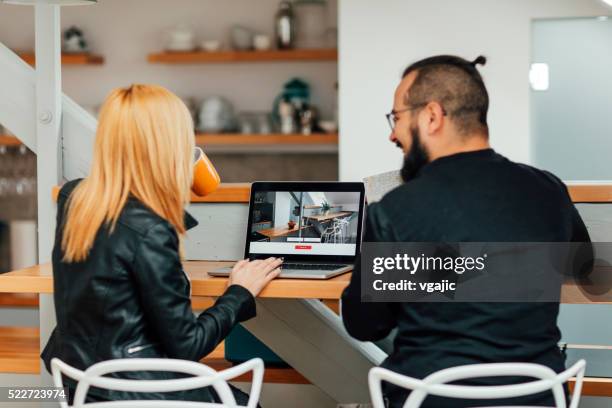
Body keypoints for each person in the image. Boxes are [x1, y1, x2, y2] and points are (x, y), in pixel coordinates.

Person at [341, 55, 591, 407]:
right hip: (536, 396)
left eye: (396, 118)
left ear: (431, 116)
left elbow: (365, 326)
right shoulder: (549, 190)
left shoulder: (394, 212)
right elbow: (582, 267)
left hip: (432, 399)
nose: (393, 133)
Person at [41, 84, 282, 404]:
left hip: (81, 386)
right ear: (169, 147)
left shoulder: (75, 198)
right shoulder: (152, 229)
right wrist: (239, 293)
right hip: (139, 391)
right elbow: (188, 345)